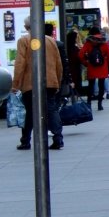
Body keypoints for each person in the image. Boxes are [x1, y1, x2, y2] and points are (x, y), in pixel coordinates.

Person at [12, 18, 64, 151]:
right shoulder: (51, 40)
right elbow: (59, 64)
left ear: (26, 27)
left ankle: (25, 141)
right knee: (51, 110)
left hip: (31, 84)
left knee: (29, 112)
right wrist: (57, 81)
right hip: (50, 82)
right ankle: (58, 138)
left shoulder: (23, 41)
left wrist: (15, 84)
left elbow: (20, 64)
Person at [78, 27, 109, 110]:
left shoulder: (88, 42)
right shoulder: (104, 41)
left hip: (91, 66)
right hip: (102, 67)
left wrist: (86, 63)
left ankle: (89, 103)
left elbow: (80, 55)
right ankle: (99, 104)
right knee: (101, 86)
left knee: (91, 85)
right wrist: (105, 62)